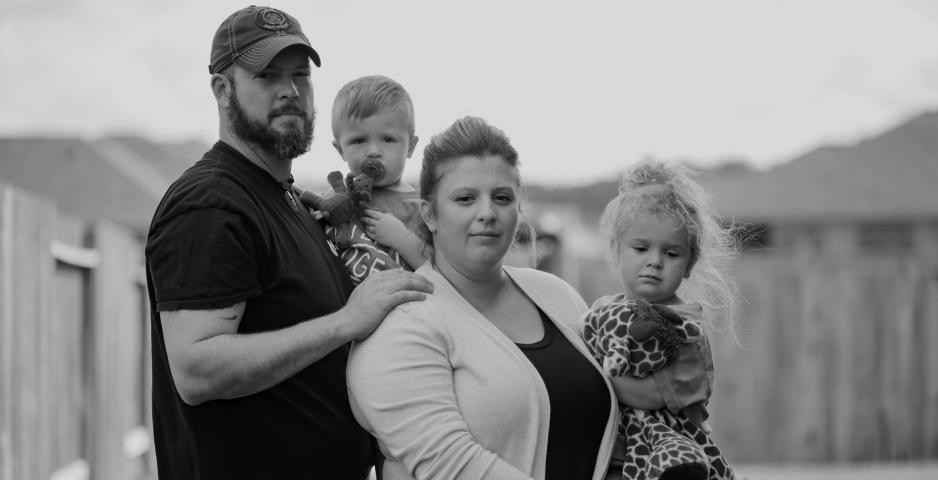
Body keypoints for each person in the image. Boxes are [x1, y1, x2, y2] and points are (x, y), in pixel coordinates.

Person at [144, 6, 432, 479]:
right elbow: (197, 370)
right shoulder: (212, 205)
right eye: (267, 75)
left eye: (300, 75)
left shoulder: (293, 202)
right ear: (222, 89)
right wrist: (345, 322)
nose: (290, 91)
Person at [346, 116, 619, 480]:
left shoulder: (557, 295)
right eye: (466, 198)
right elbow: (452, 465)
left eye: (502, 197)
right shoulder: (402, 326)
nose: (487, 213)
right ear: (429, 214)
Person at [582, 160, 739, 479]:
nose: (655, 261)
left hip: (670, 450)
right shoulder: (602, 311)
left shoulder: (685, 328)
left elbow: (652, 394)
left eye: (671, 254)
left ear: (689, 264)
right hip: (615, 453)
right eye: (641, 248)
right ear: (616, 250)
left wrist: (599, 376)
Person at [321, 75, 427, 283]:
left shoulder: (424, 208)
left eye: (388, 139)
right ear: (340, 149)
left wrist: (402, 239)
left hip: (408, 311)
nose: (373, 151)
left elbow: (443, 275)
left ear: (411, 146)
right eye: (359, 140)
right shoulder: (334, 199)